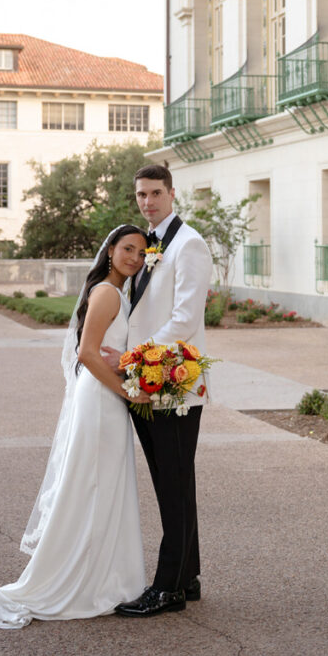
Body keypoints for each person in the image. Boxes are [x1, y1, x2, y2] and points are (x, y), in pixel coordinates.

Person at [0, 225, 150, 629]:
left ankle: (101, 574)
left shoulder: (115, 291)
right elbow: (86, 352)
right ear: (110, 251)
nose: (135, 258)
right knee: (93, 485)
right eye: (128, 249)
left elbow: (102, 350)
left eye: (141, 252)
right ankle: (86, 580)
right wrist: (129, 392)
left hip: (102, 397)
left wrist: (129, 364)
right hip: (102, 400)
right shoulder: (107, 291)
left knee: (98, 485)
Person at [103, 164, 213, 618]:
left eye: (154, 193)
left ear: (171, 193)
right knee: (175, 482)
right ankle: (187, 578)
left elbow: (185, 319)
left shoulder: (190, 244)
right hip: (149, 382)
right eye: (141, 196)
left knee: (173, 482)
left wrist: (130, 358)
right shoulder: (149, 244)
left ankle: (167, 586)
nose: (147, 202)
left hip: (174, 382)